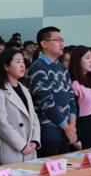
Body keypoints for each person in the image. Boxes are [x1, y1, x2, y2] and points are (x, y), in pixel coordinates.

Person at [0, 48, 40, 167]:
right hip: (9, 150)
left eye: (23, 61)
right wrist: (22, 146)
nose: (22, 65)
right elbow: (1, 124)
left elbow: (34, 118)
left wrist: (34, 141)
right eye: (18, 61)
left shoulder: (25, 90)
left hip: (28, 148)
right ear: (6, 67)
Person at [27, 27, 77, 157]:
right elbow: (46, 103)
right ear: (44, 44)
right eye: (57, 40)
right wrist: (67, 128)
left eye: (62, 40)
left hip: (65, 133)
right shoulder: (38, 67)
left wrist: (72, 125)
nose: (62, 44)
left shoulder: (62, 68)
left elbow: (71, 98)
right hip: (48, 133)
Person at [69, 46, 91, 149]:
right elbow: (73, 110)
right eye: (87, 58)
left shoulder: (90, 80)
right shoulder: (73, 82)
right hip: (81, 137)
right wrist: (76, 137)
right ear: (77, 60)